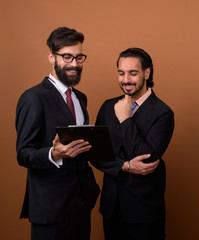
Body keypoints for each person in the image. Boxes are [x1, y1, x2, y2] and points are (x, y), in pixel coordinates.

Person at [15, 27, 100, 240]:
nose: (74, 63)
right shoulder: (33, 98)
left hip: (81, 203)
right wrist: (53, 154)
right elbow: (23, 153)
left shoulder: (81, 98)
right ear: (51, 57)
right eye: (67, 57)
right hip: (50, 209)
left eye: (79, 57)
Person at [95, 47, 175, 240]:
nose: (126, 80)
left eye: (133, 73)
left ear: (146, 73)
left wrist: (125, 120)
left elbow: (147, 157)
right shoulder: (108, 107)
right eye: (121, 73)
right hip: (111, 209)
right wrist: (125, 166)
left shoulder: (163, 113)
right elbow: (96, 153)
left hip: (144, 212)